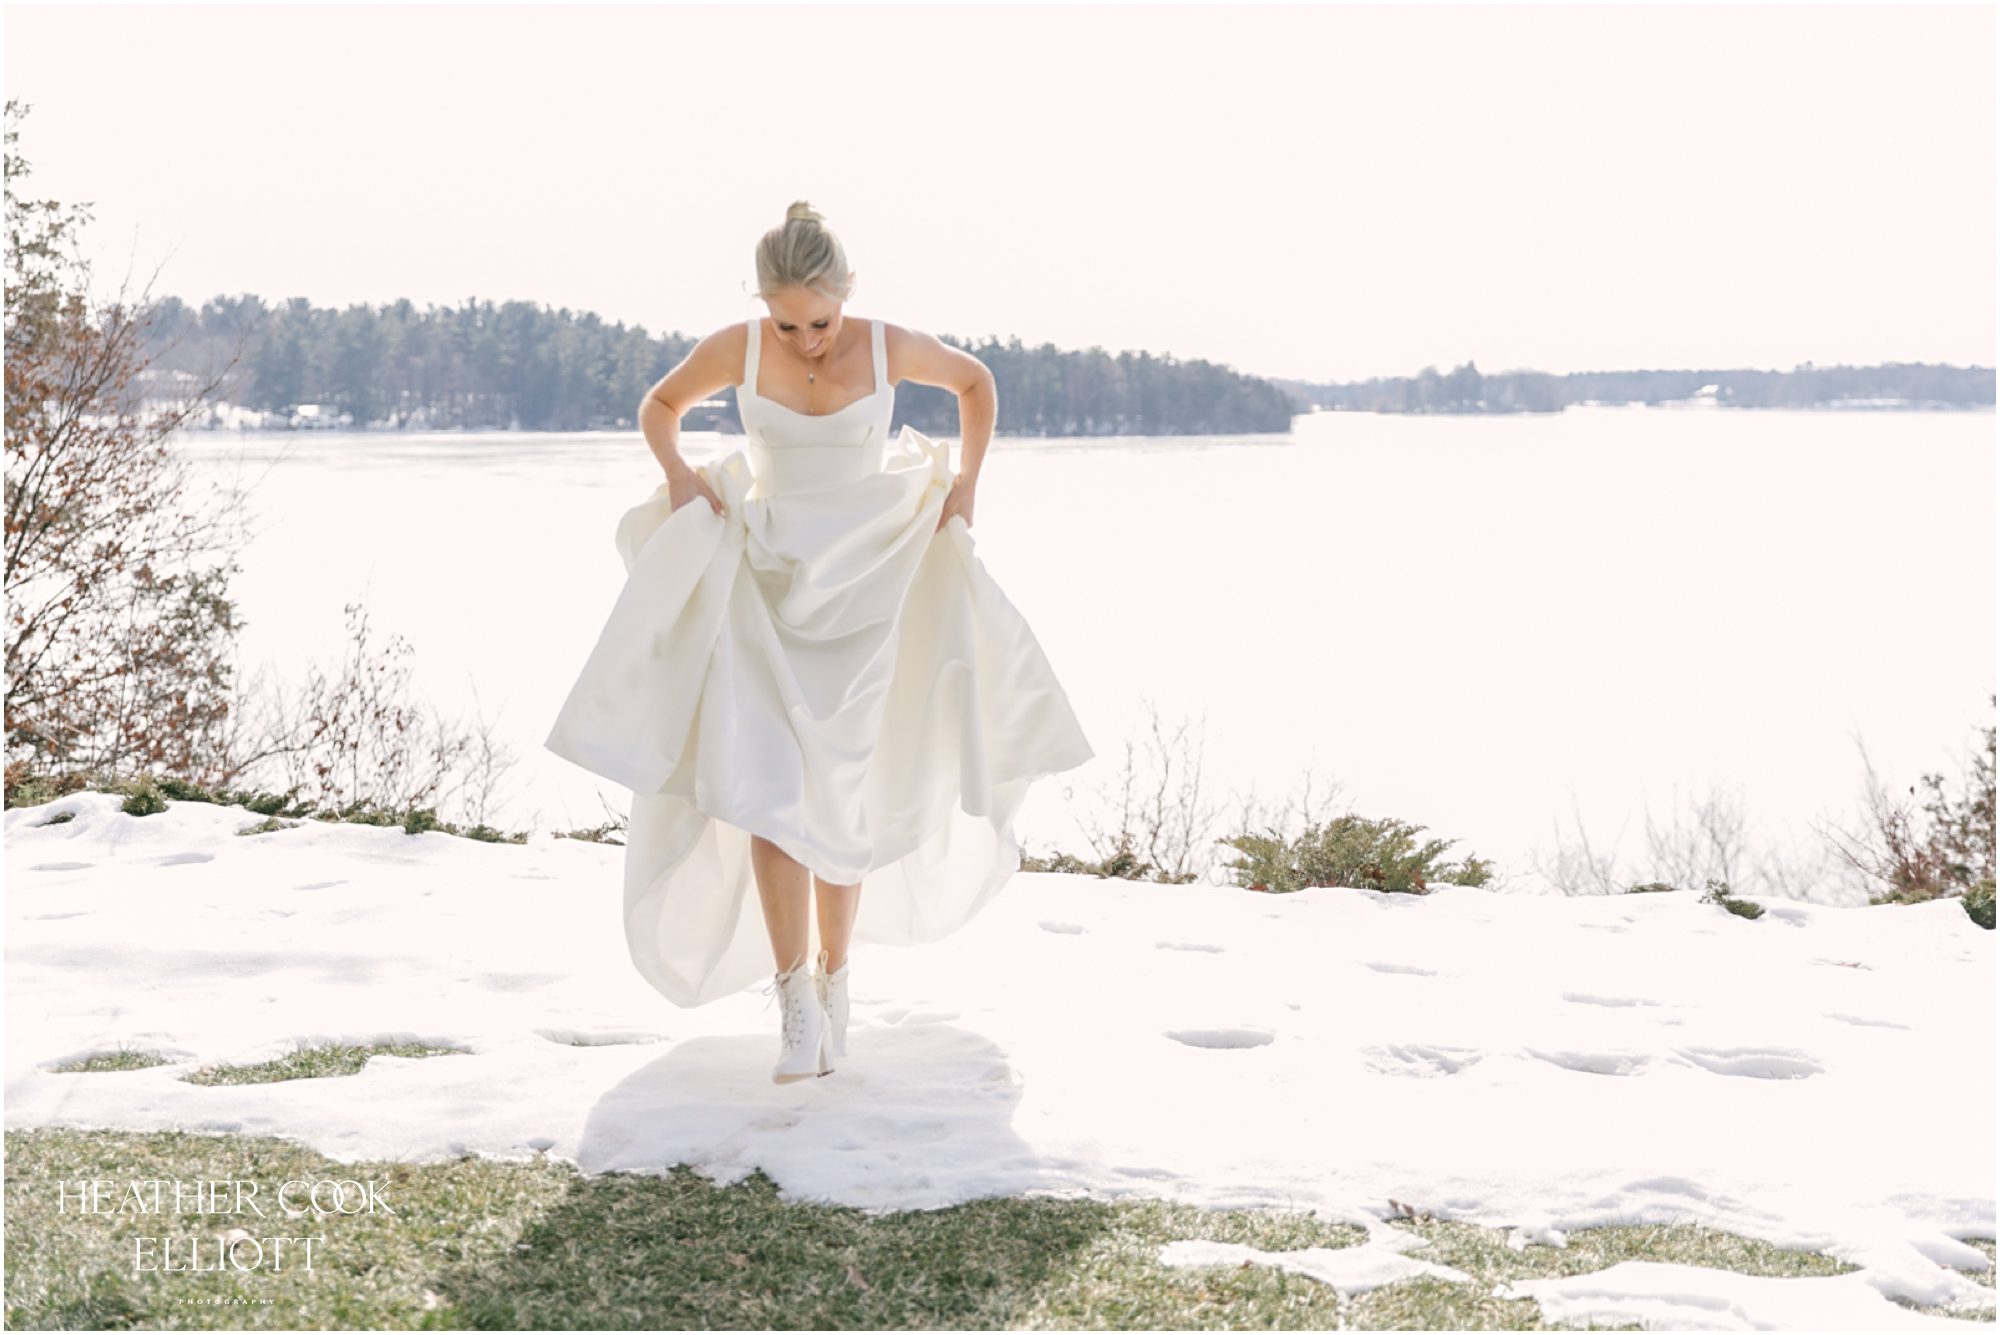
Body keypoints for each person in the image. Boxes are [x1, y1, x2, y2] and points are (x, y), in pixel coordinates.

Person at [545, 200, 1095, 1083]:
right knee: (770, 794)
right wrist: (679, 475)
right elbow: (660, 405)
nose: (804, 340)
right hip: (769, 584)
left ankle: (838, 980)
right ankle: (793, 996)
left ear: (848, 295)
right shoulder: (737, 348)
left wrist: (967, 484)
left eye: (820, 322)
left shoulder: (885, 346)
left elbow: (976, 382)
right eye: (786, 323)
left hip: (869, 585)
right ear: (764, 307)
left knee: (845, 794)